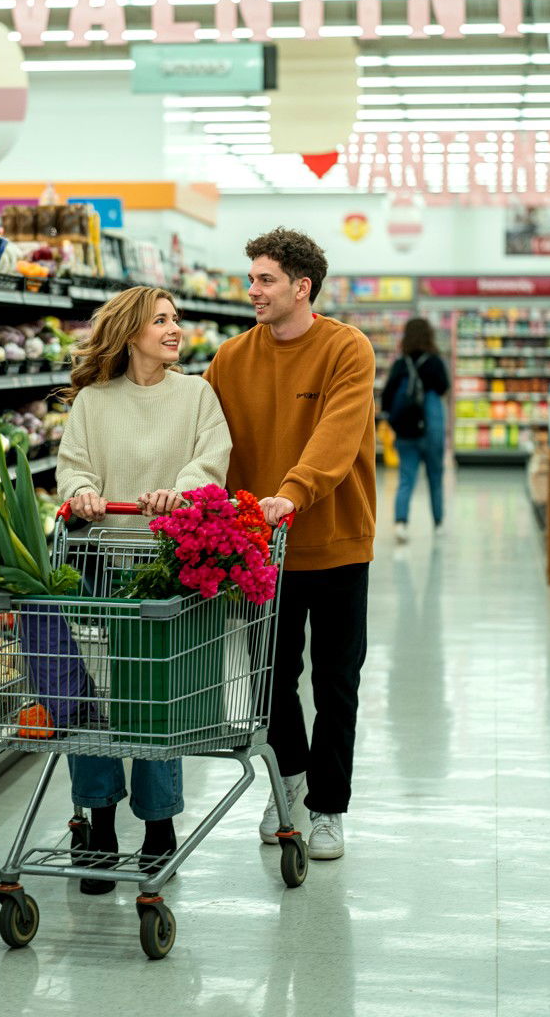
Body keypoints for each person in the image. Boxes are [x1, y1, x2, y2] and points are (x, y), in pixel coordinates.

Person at [204, 227, 376, 861]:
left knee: (337, 682)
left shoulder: (346, 349)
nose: (253, 290)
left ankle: (328, 809)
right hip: (260, 552)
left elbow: (336, 433)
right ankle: (289, 783)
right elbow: (205, 439)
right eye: (251, 279)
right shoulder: (229, 359)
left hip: (335, 543)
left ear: (302, 288)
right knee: (270, 680)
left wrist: (294, 491)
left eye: (265, 279)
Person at [56, 284, 232, 893]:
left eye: (176, 320)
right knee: (93, 702)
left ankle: (159, 826)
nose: (174, 330)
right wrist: (81, 491)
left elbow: (212, 459)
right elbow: (73, 462)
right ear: (131, 333)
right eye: (161, 321)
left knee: (155, 699)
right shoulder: (94, 403)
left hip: (166, 564)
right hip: (101, 561)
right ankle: (99, 822)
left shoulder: (197, 395)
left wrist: (179, 491)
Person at [381, 317, 450, 543]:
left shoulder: (401, 364)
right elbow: (443, 388)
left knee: (405, 478)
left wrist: (395, 424)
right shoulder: (435, 362)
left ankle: (401, 523)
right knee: (435, 477)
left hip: (406, 432)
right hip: (432, 430)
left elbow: (387, 398)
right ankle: (438, 523)